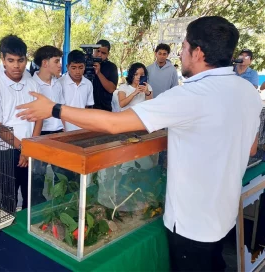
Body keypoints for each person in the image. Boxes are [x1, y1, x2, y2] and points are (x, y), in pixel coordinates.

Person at [16, 16, 262, 271]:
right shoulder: (247, 92)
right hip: (224, 216)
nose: (180, 52)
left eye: (184, 46)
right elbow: (252, 148)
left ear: (198, 52)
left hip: (192, 224)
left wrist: (53, 109)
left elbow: (113, 124)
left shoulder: (191, 95)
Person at [0, 34, 42, 210]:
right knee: (6, 197)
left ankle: (26, 233)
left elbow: (40, 117)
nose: (16, 65)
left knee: (30, 194)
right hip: (5, 150)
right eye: (11, 60)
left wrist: (30, 147)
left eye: (20, 60)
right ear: (2, 59)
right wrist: (23, 148)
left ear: (26, 60)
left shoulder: (33, 84)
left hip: (31, 148)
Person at [31, 45, 65, 203]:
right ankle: (38, 212)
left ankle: (60, 207)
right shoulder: (32, 85)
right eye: (56, 61)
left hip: (59, 133)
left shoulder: (58, 83)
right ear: (45, 63)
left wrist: (65, 130)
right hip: (40, 135)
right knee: (37, 176)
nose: (60, 65)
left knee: (62, 175)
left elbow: (62, 109)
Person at [59, 50, 94, 131]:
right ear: (67, 67)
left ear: (84, 66)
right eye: (74, 68)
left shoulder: (88, 84)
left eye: (80, 68)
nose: (77, 72)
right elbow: (58, 108)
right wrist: (62, 128)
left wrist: (88, 125)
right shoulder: (60, 83)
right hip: (65, 128)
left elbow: (88, 107)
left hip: (82, 128)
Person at [92, 39, 118, 112]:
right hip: (86, 108)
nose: (99, 54)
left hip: (104, 110)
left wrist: (99, 73)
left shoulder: (112, 67)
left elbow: (111, 89)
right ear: (94, 50)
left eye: (103, 53)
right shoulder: (85, 64)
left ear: (107, 54)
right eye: (98, 51)